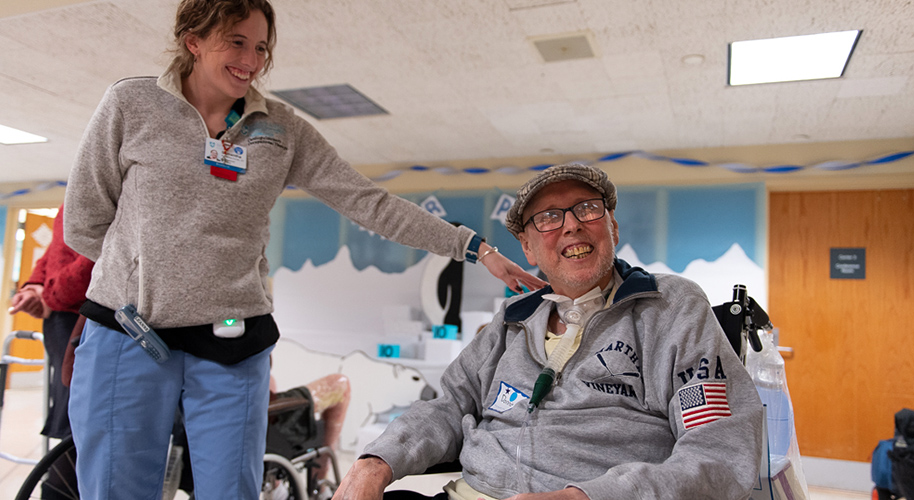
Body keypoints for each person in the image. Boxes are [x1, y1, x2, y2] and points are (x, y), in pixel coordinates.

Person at [61, 0, 545, 498]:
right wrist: (152, 273)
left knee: (232, 491)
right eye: (237, 41)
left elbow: (368, 202)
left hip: (232, 339)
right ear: (194, 40)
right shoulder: (131, 104)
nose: (251, 59)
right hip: (129, 333)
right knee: (114, 489)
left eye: (261, 47)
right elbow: (83, 222)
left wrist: (475, 247)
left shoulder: (281, 130)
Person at [334, 163, 765, 500]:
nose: (572, 224)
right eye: (549, 218)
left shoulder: (670, 307)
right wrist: (374, 462)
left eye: (588, 208)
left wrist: (584, 496)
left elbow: (720, 453)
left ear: (612, 226)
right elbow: (447, 406)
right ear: (527, 248)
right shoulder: (510, 321)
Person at [9, 204, 93, 441]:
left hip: (85, 313)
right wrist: (35, 286)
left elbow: (96, 255)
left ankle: (59, 478)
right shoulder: (72, 197)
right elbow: (55, 250)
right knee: (66, 404)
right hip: (61, 314)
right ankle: (58, 477)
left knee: (79, 412)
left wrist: (48, 296)